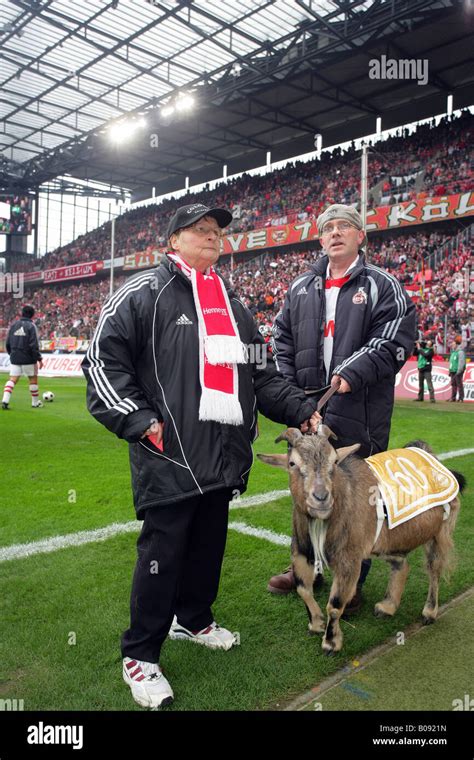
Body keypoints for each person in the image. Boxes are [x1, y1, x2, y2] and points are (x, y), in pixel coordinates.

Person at [82, 203, 321, 710]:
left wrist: (300, 411)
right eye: (200, 229)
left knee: (209, 545)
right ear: (173, 242)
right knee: (160, 554)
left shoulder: (230, 302)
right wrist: (141, 420)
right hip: (169, 452)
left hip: (223, 451)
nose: (213, 236)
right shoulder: (142, 292)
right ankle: (141, 654)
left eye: (216, 231)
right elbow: (102, 361)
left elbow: (259, 371)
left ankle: (193, 619)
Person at [268, 203, 417, 611]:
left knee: (354, 501)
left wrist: (352, 371)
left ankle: (349, 584)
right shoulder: (300, 287)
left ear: (360, 237)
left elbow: (394, 339)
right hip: (306, 413)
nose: (336, 233)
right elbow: (281, 339)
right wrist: (291, 394)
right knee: (306, 495)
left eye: (345, 227)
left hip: (359, 411)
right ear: (320, 239)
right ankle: (306, 571)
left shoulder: (383, 285)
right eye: (328, 228)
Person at [2, 305, 44, 410]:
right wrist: (39, 359)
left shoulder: (14, 325)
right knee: (33, 379)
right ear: (33, 315)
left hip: (15, 357)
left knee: (13, 379)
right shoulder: (31, 326)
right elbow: (34, 344)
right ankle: (35, 403)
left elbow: (7, 342)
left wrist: (12, 353)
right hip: (28, 358)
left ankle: (5, 400)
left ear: (22, 313)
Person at [448, 336, 466, 402]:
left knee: (459, 384)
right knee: (453, 384)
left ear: (456, 345)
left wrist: (459, 370)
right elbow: (451, 362)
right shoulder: (453, 352)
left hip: (458, 371)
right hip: (453, 370)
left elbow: (461, 362)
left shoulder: (460, 352)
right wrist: (450, 370)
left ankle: (461, 398)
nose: (452, 346)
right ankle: (453, 397)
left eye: (453, 344)